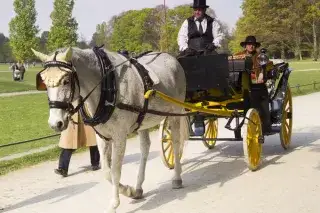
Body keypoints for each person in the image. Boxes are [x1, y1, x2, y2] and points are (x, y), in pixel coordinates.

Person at [54, 107, 100, 177]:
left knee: (92, 140)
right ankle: (63, 169)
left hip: (87, 112)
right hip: (72, 115)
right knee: (68, 143)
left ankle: (95, 163)